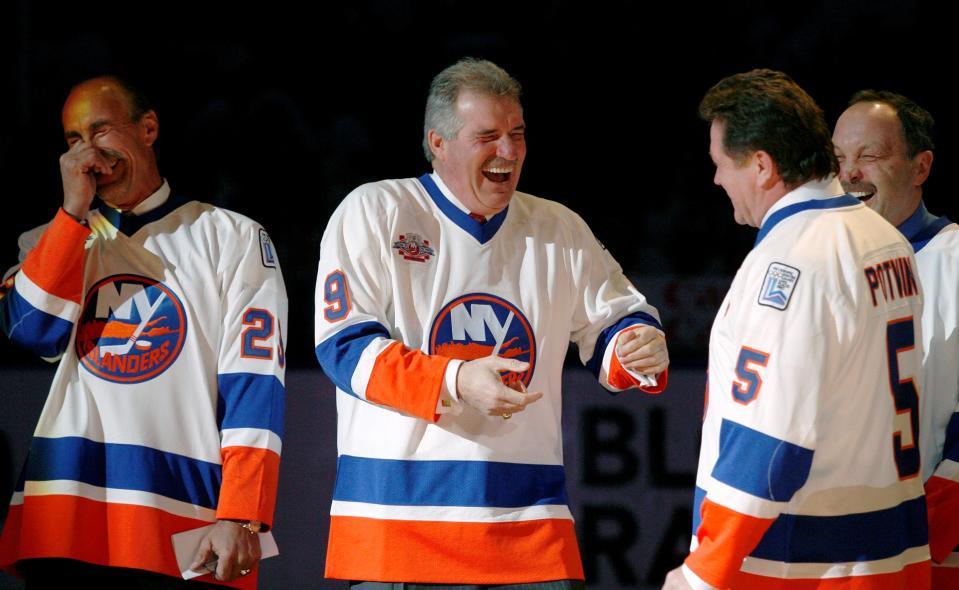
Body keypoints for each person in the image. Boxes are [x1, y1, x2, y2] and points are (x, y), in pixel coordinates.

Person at [314, 57, 669, 588]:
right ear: (438, 142)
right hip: (398, 525)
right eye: (488, 137)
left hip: (530, 528)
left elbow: (617, 322)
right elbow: (343, 347)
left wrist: (636, 345)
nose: (509, 151)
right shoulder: (375, 210)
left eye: (517, 134)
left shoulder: (558, 226)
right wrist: (456, 380)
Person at [0, 76, 287, 588]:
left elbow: (255, 386)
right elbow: (31, 332)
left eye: (101, 129)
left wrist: (242, 513)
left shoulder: (233, 236)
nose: (88, 151)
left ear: (148, 128)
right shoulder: (50, 241)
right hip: (65, 514)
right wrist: (72, 214)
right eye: (73, 140)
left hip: (180, 513)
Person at [663, 69, 930, 590]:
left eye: (721, 164)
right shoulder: (886, 239)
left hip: (802, 565)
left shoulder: (789, 264)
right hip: (893, 554)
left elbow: (770, 444)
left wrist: (704, 571)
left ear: (761, 165)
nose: (717, 180)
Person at [834, 90, 959, 588]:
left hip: (933, 559)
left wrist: (920, 538)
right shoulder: (828, 268)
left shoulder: (952, 261)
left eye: (870, 156)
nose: (850, 174)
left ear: (920, 166)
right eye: (839, 158)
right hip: (848, 555)